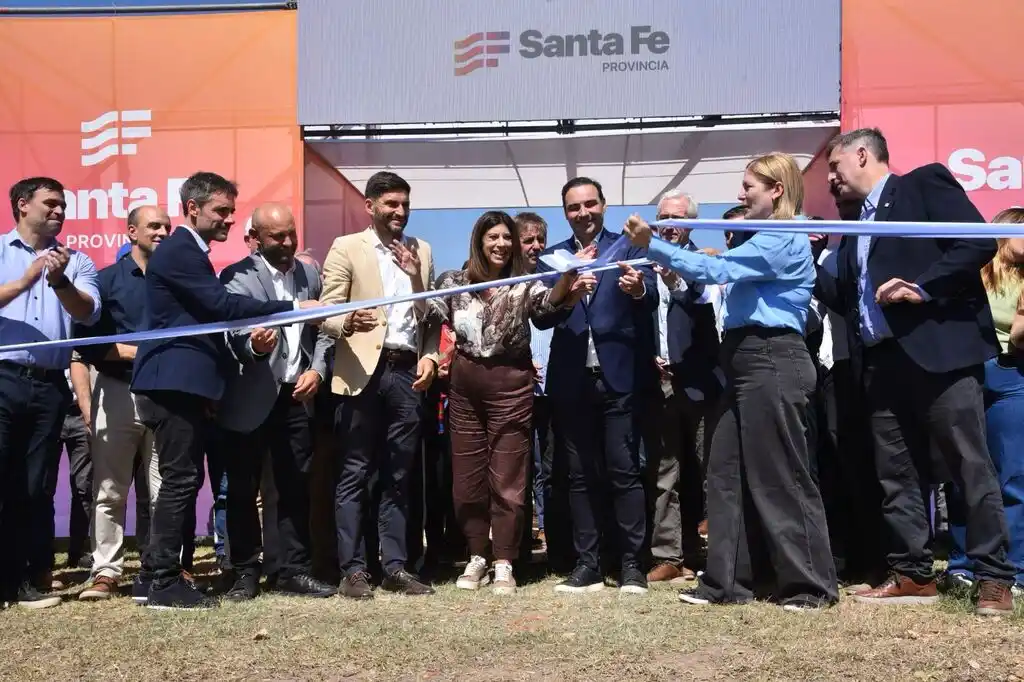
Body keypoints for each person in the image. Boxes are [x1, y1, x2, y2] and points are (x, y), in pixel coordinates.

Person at [624, 152, 839, 611]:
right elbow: (722, 267)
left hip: (773, 359)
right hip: (742, 361)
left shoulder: (785, 234)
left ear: (776, 190)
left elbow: (718, 271)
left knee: (782, 475)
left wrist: (654, 245)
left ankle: (810, 586)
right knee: (723, 472)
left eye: (749, 187)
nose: (741, 195)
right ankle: (726, 581)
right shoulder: (760, 238)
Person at [817, 127, 1015, 615]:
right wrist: (807, 258)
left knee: (970, 466)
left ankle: (994, 578)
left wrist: (922, 288)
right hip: (881, 363)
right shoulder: (853, 228)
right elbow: (845, 298)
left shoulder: (924, 185)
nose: (831, 181)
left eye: (835, 168)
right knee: (896, 473)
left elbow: (977, 244)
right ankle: (912, 573)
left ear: (862, 155)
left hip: (939, 354)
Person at [131, 172, 321, 610]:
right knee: (180, 481)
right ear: (193, 208)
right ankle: (161, 580)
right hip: (172, 380)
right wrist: (292, 307)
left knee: (182, 480)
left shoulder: (192, 253)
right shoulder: (181, 251)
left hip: (186, 384)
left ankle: (152, 579)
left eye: (231, 213)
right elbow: (222, 309)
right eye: (220, 211)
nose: (227, 221)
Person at [432, 211, 590, 594]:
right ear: (479, 241)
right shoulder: (452, 281)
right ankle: (476, 556)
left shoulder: (524, 281)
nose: (501, 244)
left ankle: (504, 560)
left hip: (511, 387)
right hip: (465, 388)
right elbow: (427, 315)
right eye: (494, 237)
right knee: (467, 479)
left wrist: (567, 279)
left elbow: (547, 309)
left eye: (507, 237)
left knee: (508, 477)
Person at [535, 177, 657, 595]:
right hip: (571, 380)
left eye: (590, 204)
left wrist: (638, 289)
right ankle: (587, 564)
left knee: (625, 472)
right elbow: (541, 317)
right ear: (565, 213)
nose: (583, 213)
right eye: (574, 207)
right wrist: (566, 289)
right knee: (579, 476)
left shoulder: (628, 244)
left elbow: (652, 297)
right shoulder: (552, 257)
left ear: (604, 205)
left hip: (619, 376)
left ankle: (631, 567)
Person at [321, 171, 439, 599]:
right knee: (354, 472)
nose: (400, 212)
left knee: (399, 474)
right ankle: (352, 569)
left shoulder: (422, 250)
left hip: (407, 372)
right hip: (361, 372)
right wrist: (347, 320)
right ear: (370, 206)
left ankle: (395, 566)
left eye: (405, 204)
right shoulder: (347, 247)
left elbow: (430, 317)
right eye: (391, 204)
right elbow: (324, 311)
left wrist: (430, 355)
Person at [217, 203, 337, 600]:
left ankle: (293, 571)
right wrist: (251, 344)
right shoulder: (237, 276)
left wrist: (317, 370)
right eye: (277, 237)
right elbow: (230, 332)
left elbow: (323, 329)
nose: (287, 243)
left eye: (291, 234)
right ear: (256, 238)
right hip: (250, 396)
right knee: (242, 490)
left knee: (294, 486)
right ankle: (245, 573)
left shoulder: (309, 273)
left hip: (295, 396)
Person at [1, 176, 101, 609]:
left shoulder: (77, 261)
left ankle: (26, 578)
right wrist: (25, 281)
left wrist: (59, 281)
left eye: (64, 205)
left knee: (34, 485)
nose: (60, 211)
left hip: (48, 387)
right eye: (51, 203)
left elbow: (88, 313)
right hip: (2, 377)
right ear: (23, 205)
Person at [75, 205, 170, 601]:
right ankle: (107, 570)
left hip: (167, 394)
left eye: (167, 225)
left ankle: (163, 566)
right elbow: (89, 343)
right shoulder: (107, 280)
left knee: (165, 487)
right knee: (110, 488)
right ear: (132, 232)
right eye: (154, 226)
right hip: (117, 392)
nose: (163, 231)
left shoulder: (178, 281)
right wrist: (141, 353)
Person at [943, 207, 1024, 599]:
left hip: (1013, 375)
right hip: (968, 371)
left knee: (1012, 477)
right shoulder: (974, 272)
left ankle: (1015, 570)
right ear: (1006, 233)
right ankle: (962, 565)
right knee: (965, 473)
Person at [643, 190, 722, 585]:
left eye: (676, 218)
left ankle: (722, 554)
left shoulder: (704, 260)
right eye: (663, 217)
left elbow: (704, 299)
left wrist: (678, 278)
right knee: (665, 472)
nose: (669, 225)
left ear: (690, 223)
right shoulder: (642, 260)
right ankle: (668, 555)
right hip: (658, 384)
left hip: (699, 380)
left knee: (711, 470)